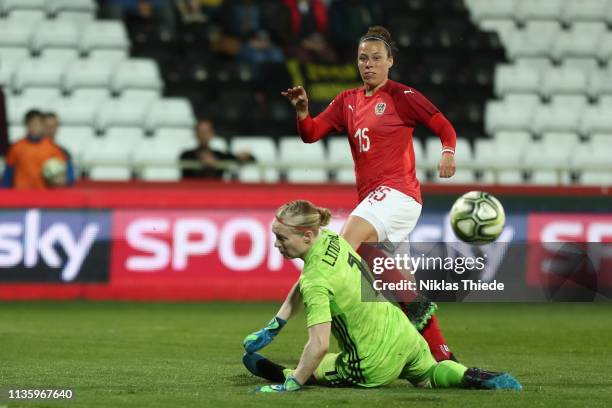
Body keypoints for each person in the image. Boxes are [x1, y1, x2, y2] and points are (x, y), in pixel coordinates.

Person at [275, 26, 458, 362]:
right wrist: (302, 110)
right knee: (397, 287)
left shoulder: (402, 97)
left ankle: (320, 335)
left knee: (341, 245)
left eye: (376, 58)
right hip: (377, 202)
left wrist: (447, 151)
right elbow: (311, 133)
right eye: (363, 58)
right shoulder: (348, 101)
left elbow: (443, 125)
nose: (369, 64)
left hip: (398, 194)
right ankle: (440, 358)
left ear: (390, 61)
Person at [242, 200, 521, 392]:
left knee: (318, 367)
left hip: (371, 363)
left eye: (282, 238)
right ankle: (474, 375)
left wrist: (292, 385)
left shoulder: (316, 280)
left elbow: (319, 345)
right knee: (429, 375)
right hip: (404, 334)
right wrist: (276, 324)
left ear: (305, 236)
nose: (277, 245)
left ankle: (283, 374)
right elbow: (304, 281)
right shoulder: (331, 238)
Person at [1, 110, 69, 189]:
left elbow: (66, 170)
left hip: (43, 195)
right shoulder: (16, 147)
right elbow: (8, 173)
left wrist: (63, 180)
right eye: (32, 123)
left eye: (39, 124)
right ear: (26, 125)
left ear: (43, 126)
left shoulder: (52, 148)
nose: (35, 127)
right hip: (21, 194)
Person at [180, 118, 254, 179]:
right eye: (201, 131)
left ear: (212, 133)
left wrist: (244, 156)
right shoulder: (186, 155)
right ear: (195, 133)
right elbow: (185, 176)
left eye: (206, 131)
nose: (203, 135)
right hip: (193, 192)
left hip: (217, 192)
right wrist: (201, 162)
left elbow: (249, 159)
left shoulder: (219, 155)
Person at [43, 112, 76, 186]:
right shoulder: (30, 149)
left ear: (57, 128)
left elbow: (71, 177)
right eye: (47, 126)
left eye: (53, 126)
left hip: (56, 195)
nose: (50, 130)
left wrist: (63, 180)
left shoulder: (64, 152)